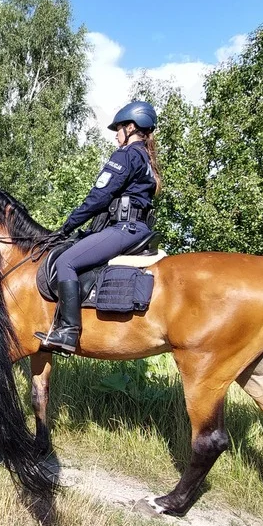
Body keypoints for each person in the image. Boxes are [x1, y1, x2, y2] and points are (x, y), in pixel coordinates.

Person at [35, 100, 161, 353]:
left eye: (119, 128)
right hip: (138, 228)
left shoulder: (126, 155)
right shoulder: (146, 160)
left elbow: (99, 197)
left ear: (132, 127)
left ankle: (68, 332)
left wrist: (67, 226)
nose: (116, 135)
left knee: (65, 262)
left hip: (124, 228)